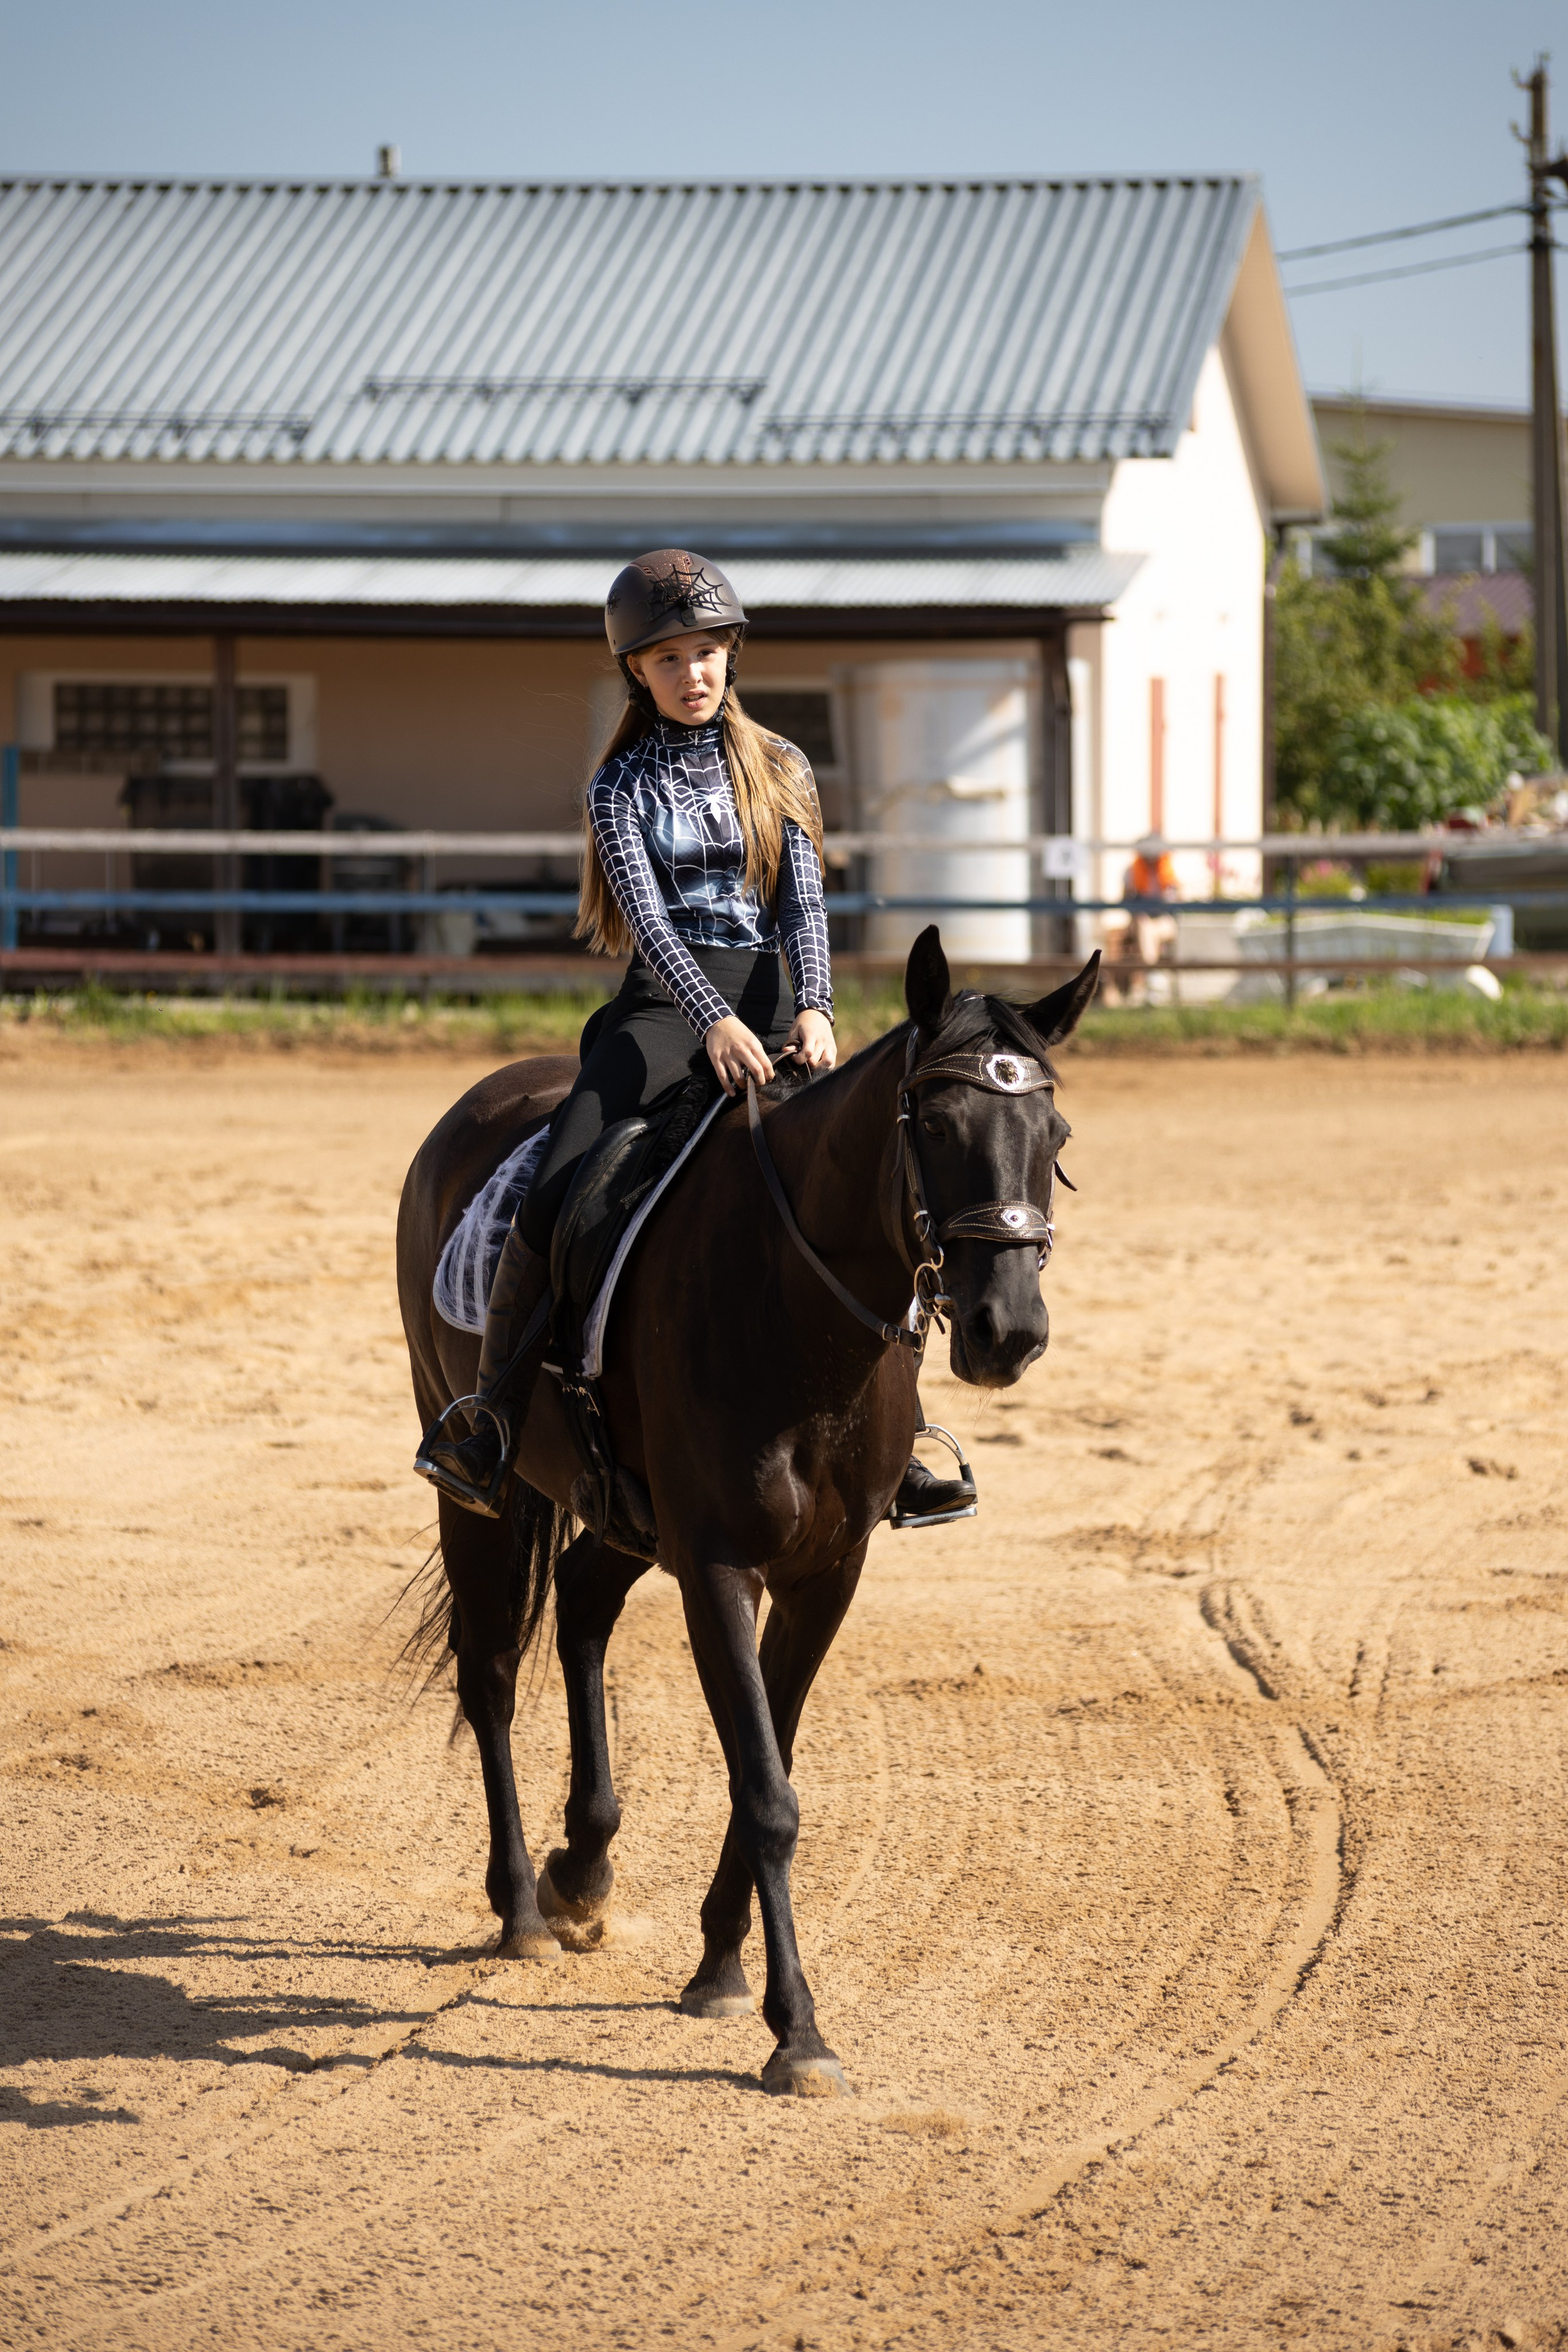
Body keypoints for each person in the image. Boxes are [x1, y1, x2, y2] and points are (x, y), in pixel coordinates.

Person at [416, 548, 975, 1531]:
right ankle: (490, 1418)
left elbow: (804, 904)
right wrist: (711, 1018)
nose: (693, 674)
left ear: (731, 655)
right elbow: (650, 922)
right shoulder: (617, 786)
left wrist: (817, 1007)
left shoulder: (783, 765)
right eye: (669, 658)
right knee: (558, 1183)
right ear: (637, 670)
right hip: (665, 1010)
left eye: (707, 652)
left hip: (778, 1000)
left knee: (879, 1181)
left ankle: (906, 1430)